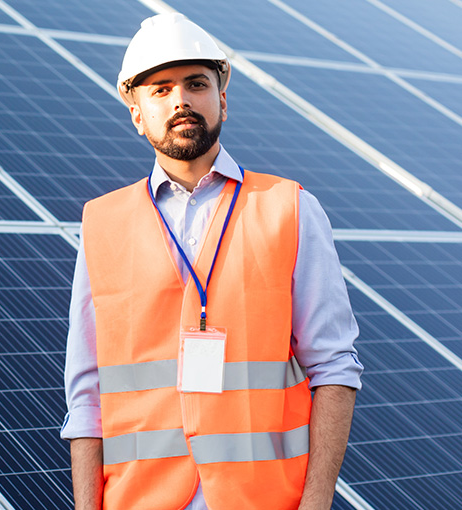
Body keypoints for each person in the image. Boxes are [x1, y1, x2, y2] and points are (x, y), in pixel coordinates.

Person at [60, 12, 363, 510]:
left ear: (222, 99)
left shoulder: (290, 208)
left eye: (196, 84)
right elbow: (86, 392)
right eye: (160, 90)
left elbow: (334, 366)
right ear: (136, 114)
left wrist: (316, 503)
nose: (180, 100)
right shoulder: (101, 223)